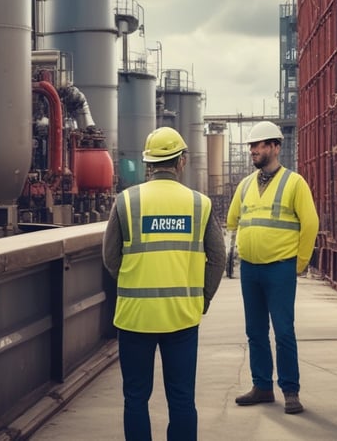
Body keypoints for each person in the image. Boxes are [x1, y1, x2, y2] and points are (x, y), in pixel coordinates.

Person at [103, 126, 226, 441]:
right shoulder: (199, 204)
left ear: (148, 163)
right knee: (182, 398)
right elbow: (218, 258)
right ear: (182, 161)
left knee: (135, 397)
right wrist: (202, 298)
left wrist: (135, 281)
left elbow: (110, 257)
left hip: (135, 317)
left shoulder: (126, 201)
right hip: (181, 316)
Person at [226, 120, 319, 415]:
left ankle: (290, 391)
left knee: (283, 331)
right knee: (255, 331)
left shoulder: (294, 183)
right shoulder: (244, 185)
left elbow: (311, 224)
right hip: (250, 269)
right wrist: (242, 243)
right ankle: (262, 386)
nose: (253, 150)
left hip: (280, 268)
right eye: (251, 146)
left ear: (275, 147)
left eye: (259, 145)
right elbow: (232, 219)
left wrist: (299, 263)